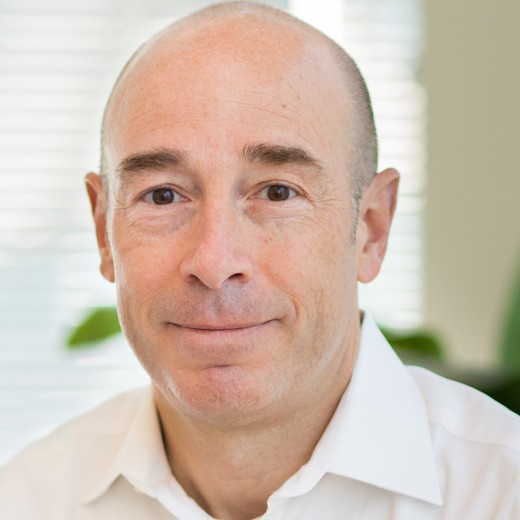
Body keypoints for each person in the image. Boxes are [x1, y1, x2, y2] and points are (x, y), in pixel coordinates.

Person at [1, 2, 519, 519]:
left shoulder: (500, 492)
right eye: (162, 195)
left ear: (371, 228)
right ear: (103, 232)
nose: (214, 261)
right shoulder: (26, 500)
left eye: (277, 192)